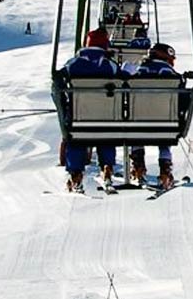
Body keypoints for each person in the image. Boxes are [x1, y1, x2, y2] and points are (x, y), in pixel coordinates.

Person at [60, 28, 121, 191]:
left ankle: (75, 172)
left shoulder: (73, 64)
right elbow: (123, 81)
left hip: (79, 117)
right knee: (106, 136)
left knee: (76, 138)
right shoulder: (110, 65)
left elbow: (59, 79)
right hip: (105, 117)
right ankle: (107, 166)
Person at [128, 42, 183, 188]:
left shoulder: (141, 70)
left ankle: (138, 169)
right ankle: (165, 173)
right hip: (165, 121)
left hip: (139, 119)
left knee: (137, 138)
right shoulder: (170, 73)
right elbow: (181, 97)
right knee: (165, 142)